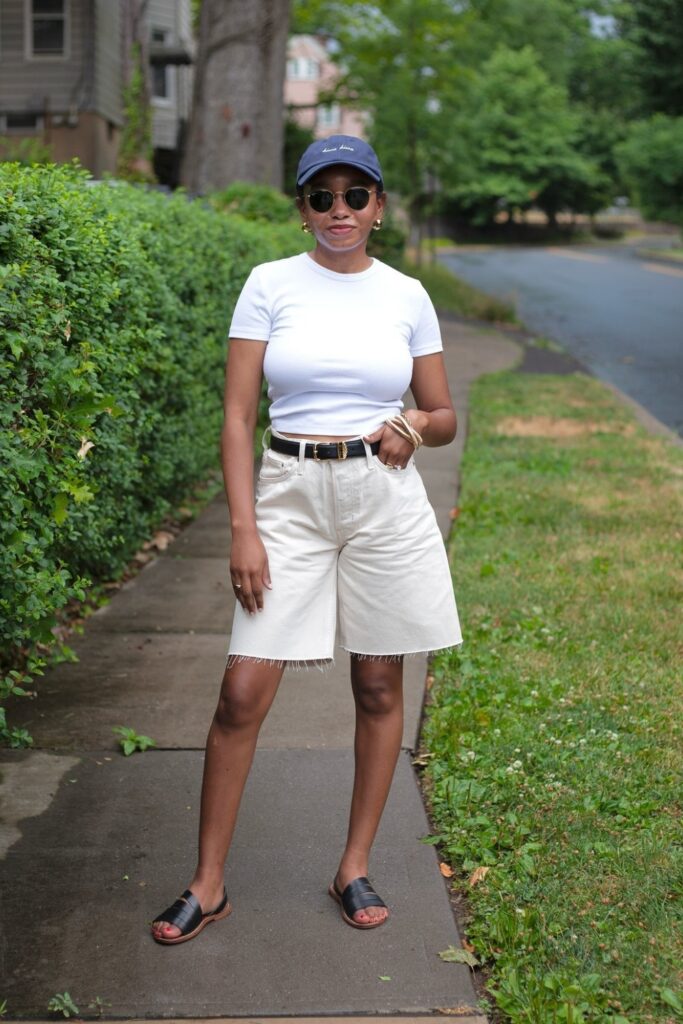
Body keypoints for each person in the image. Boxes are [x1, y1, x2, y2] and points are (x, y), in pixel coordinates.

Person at [151, 134, 462, 944]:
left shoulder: (406, 295)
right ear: (301, 209)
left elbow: (442, 414)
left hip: (380, 500)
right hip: (287, 495)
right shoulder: (268, 285)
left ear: (379, 207)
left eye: (354, 195)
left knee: (377, 686)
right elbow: (236, 414)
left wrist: (410, 424)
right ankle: (208, 882)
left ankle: (352, 864)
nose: (338, 211)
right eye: (320, 196)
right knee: (241, 692)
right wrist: (243, 529)